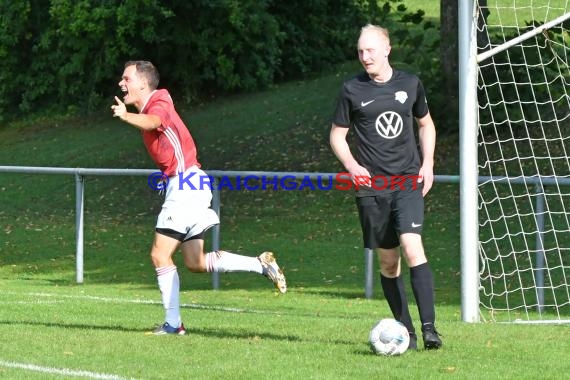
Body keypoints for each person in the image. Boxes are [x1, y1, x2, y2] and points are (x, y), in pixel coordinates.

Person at [111, 60, 287, 335]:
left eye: (126, 79)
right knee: (195, 262)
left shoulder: (159, 101)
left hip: (186, 185)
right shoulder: (153, 104)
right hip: (189, 184)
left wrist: (125, 115)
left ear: (143, 83)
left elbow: (153, 122)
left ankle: (172, 325)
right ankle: (259, 264)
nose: (122, 84)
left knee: (160, 255)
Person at [329, 25, 442, 350]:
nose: (365, 57)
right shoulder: (352, 89)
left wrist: (428, 163)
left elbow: (426, 124)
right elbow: (337, 135)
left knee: (412, 247)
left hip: (407, 181)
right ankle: (406, 331)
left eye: (371, 50)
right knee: (389, 263)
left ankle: (430, 329)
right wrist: (352, 166)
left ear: (387, 49)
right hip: (372, 188)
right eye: (361, 51)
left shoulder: (410, 84)